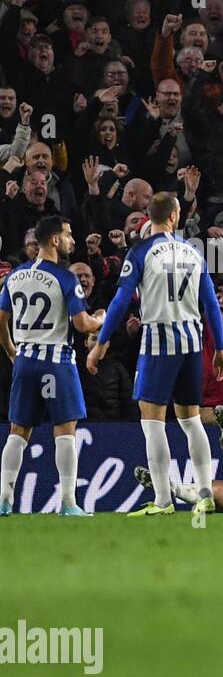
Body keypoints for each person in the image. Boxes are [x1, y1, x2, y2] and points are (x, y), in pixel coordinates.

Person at [88, 194, 223, 516]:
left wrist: (101, 343)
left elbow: (123, 300)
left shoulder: (141, 251)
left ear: (149, 218)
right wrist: (219, 349)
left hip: (159, 342)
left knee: (153, 423)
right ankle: (205, 493)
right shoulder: (194, 251)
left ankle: (164, 501)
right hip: (192, 343)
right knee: (191, 420)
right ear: (176, 216)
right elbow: (210, 304)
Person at [0, 216, 105, 515]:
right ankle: (69, 504)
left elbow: (0, 320)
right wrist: (102, 318)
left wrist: (11, 349)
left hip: (25, 361)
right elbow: (82, 324)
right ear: (55, 240)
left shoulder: (15, 276)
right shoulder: (65, 278)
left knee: (18, 431)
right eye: (69, 235)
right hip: (56, 361)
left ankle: (4, 500)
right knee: (65, 430)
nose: (73, 240)